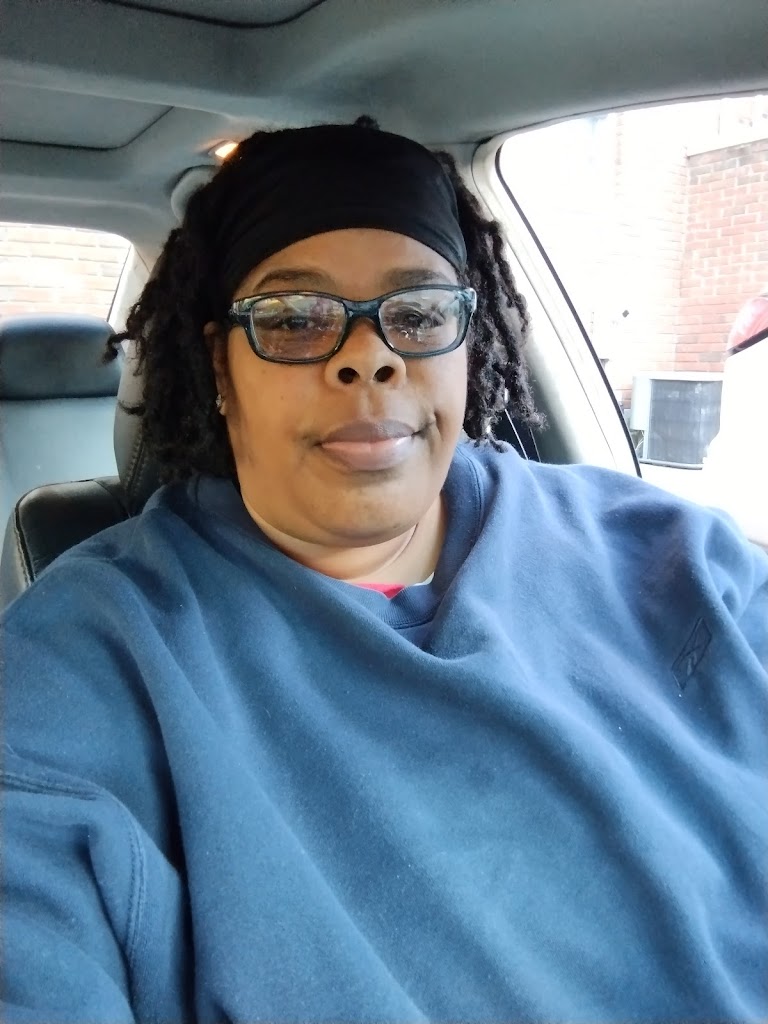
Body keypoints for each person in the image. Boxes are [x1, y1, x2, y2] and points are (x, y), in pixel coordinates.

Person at [2, 119, 766, 1024]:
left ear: (466, 343)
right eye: (294, 320)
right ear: (219, 366)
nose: (370, 356)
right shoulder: (81, 664)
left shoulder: (678, 557)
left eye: (419, 313)